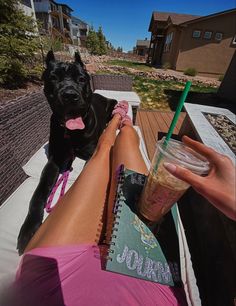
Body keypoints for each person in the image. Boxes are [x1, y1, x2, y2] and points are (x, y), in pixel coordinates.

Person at [5, 102, 236, 306]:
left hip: (53, 281)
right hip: (150, 275)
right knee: (125, 144)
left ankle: (119, 118)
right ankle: (123, 122)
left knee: (102, 155)